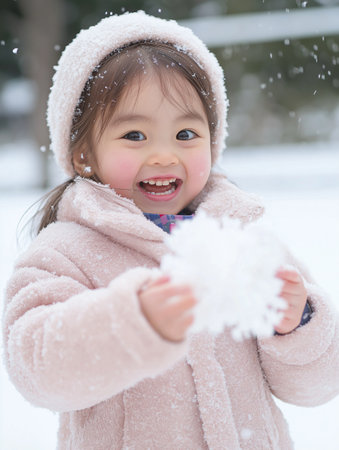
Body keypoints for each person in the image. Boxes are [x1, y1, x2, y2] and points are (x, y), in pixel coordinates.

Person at [3, 11, 339, 450]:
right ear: (84, 153)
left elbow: (316, 388)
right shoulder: (65, 253)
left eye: (185, 133)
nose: (164, 155)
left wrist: (298, 323)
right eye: (135, 135)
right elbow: (37, 368)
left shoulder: (243, 242)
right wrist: (131, 322)